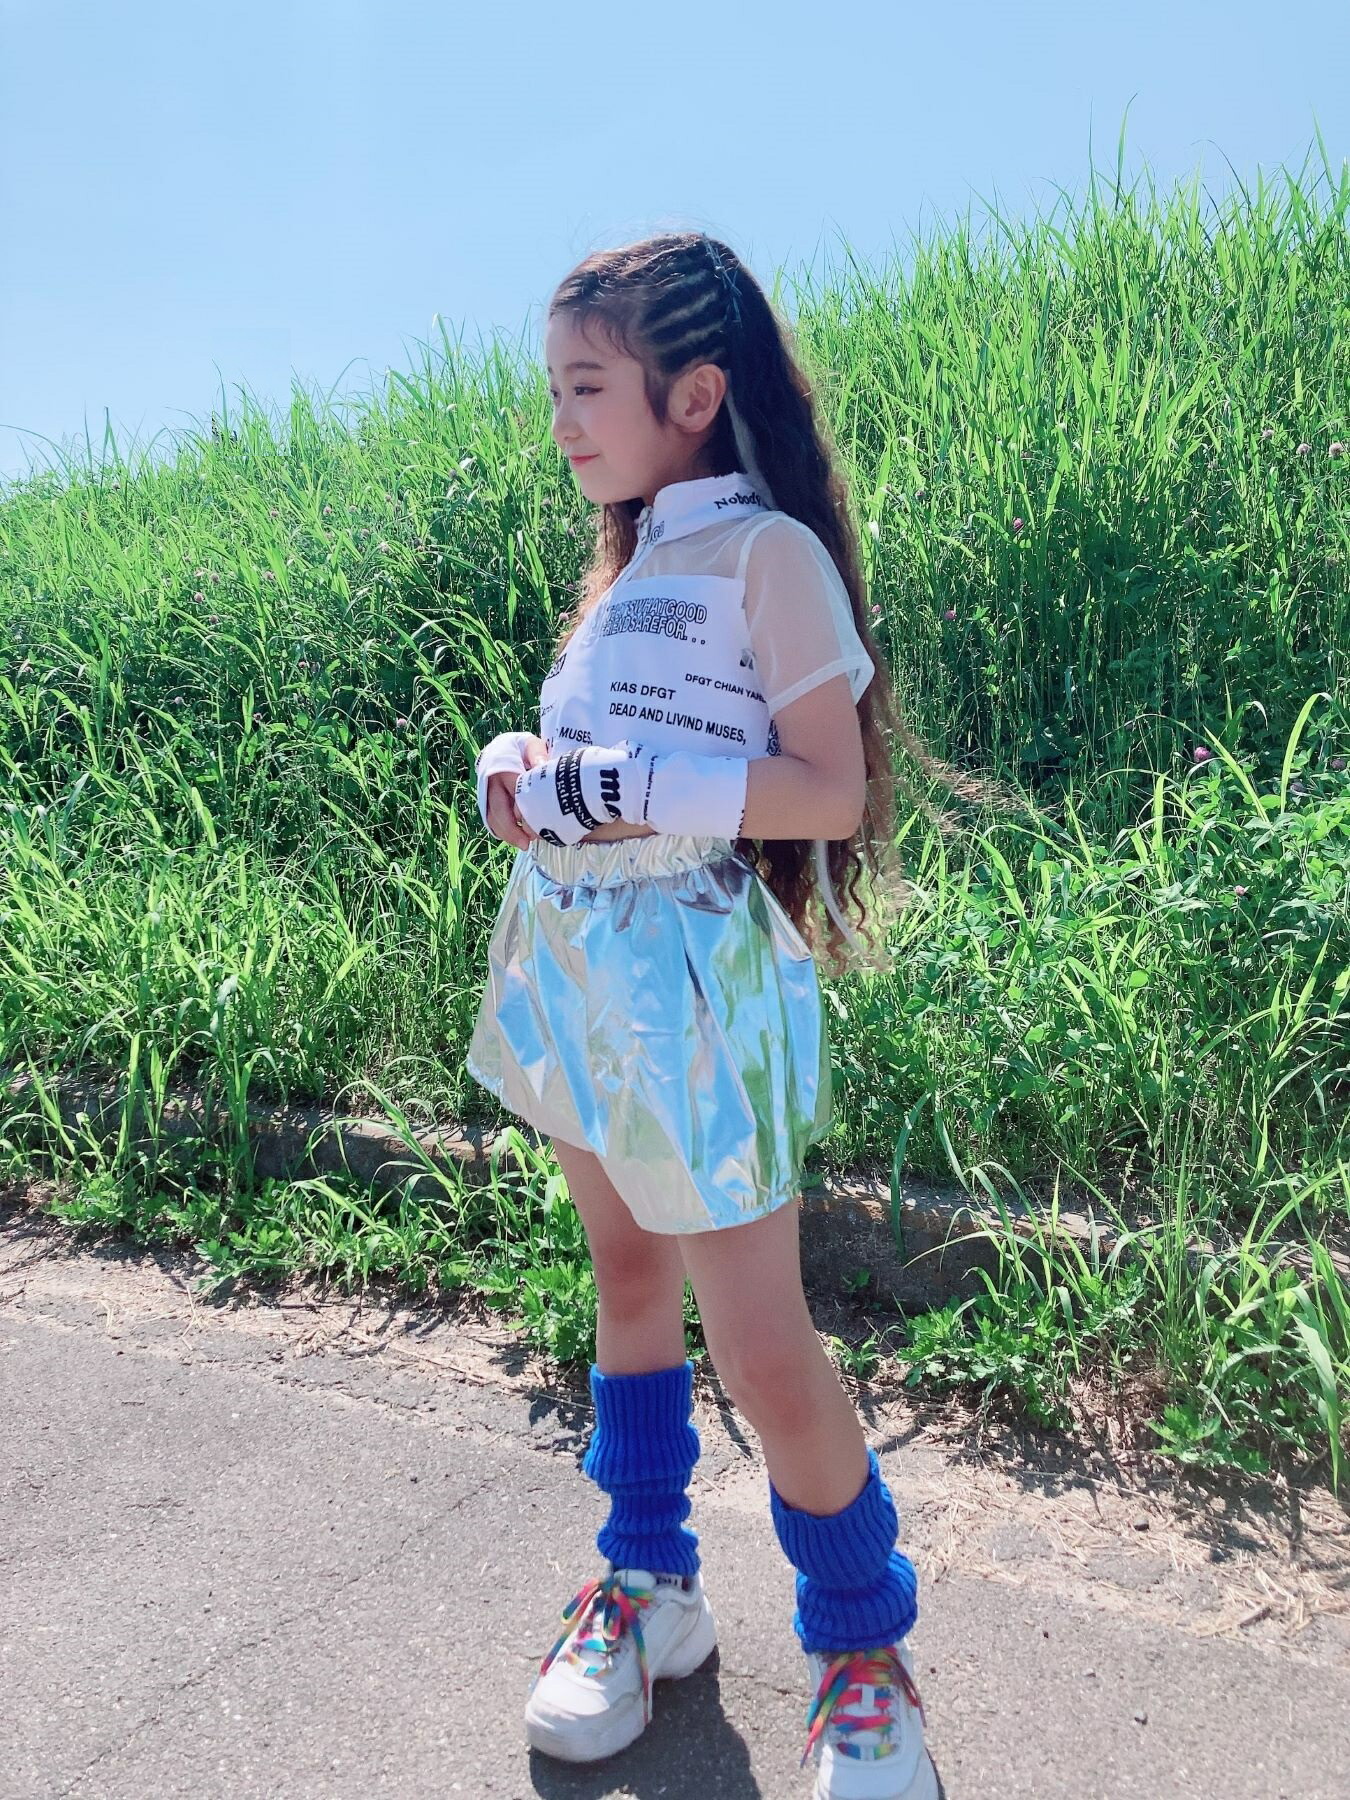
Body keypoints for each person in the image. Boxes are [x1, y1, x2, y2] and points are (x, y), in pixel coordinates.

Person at [466, 231, 940, 1800]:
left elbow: (827, 788)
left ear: (693, 393)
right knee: (622, 1279)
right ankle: (648, 1582)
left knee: (758, 1341)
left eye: (586, 387)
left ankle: (862, 1657)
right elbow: (595, 762)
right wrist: (524, 771)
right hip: (568, 957)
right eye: (552, 391)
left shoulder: (765, 556)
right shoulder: (622, 571)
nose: (560, 424)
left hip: (693, 974)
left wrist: (617, 785)